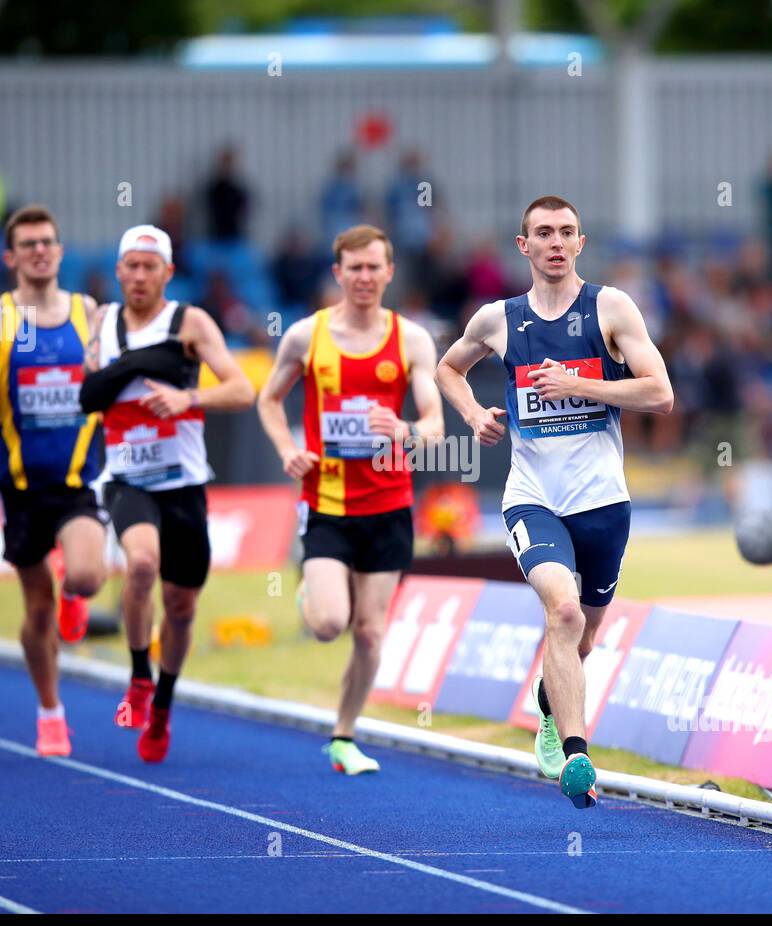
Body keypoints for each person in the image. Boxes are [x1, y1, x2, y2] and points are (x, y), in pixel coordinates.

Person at [435, 195, 674, 809]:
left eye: (567, 232)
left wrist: (579, 384)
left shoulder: (610, 307)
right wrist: (472, 414)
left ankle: (548, 704)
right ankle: (576, 757)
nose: (556, 242)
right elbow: (448, 368)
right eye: (544, 233)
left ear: (581, 243)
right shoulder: (498, 319)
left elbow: (660, 393)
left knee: (584, 638)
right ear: (525, 247)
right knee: (562, 615)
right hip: (532, 497)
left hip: (602, 504)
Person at [257, 224, 444, 776]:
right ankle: (312, 601)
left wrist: (403, 427)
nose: (364, 277)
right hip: (327, 503)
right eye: (354, 268)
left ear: (390, 272)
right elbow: (268, 401)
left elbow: (434, 426)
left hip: (388, 507)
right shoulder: (304, 337)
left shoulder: (411, 339)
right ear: (337, 273)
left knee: (370, 630)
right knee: (330, 623)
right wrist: (288, 448)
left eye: (374, 267)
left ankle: (343, 735)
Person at [80, 225, 254, 763]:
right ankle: (137, 675)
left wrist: (188, 398)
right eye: (130, 265)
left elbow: (242, 388)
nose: (138, 275)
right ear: (118, 271)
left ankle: (162, 705)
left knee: (180, 608)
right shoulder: (100, 321)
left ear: (168, 273)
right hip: (126, 479)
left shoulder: (190, 322)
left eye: (149, 266)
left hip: (183, 484)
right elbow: (90, 392)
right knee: (140, 565)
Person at [0, 204, 108, 757]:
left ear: (60, 252)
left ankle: (76, 590)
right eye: (28, 243)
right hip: (19, 485)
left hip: (76, 480)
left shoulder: (89, 312)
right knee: (36, 613)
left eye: (48, 241)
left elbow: (108, 385)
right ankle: (50, 711)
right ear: (10, 256)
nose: (39, 250)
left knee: (88, 577)